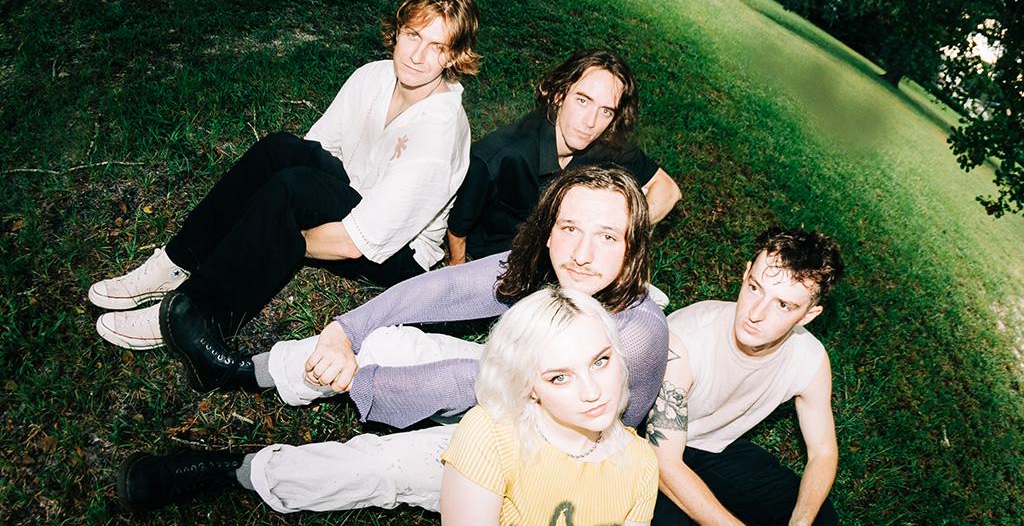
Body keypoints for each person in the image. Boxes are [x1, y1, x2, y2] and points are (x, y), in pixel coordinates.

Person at [116, 164, 669, 514]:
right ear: (549, 232)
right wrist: (346, 331)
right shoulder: (548, 267)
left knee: (378, 465)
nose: (582, 253)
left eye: (608, 236)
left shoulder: (637, 336)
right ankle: (244, 371)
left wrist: (370, 383)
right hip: (502, 389)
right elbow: (440, 291)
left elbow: (494, 394)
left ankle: (237, 471)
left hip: (535, 457)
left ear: (632, 247)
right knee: (388, 339)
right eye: (570, 229)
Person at [87, 0, 480, 363]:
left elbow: (355, 243)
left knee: (292, 191)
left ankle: (195, 313)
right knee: (280, 150)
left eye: (437, 47)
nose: (417, 56)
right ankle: (175, 263)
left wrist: (271, 234)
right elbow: (315, 149)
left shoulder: (438, 133)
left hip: (395, 252)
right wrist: (264, 210)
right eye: (413, 36)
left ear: (452, 57)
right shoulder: (375, 75)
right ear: (397, 32)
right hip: (357, 196)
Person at [647, 228, 844, 526]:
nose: (756, 314)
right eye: (755, 288)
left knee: (821, 519)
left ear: (807, 315)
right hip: (647, 446)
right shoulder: (687, 339)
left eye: (783, 305)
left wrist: (800, 523)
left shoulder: (809, 359)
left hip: (713, 449)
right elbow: (664, 464)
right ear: (746, 274)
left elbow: (823, 451)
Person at [440, 286, 658, 525]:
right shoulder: (490, 434)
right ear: (529, 386)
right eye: (560, 377)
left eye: (600, 361)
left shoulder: (641, 461)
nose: (592, 392)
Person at [445, 49, 681, 264]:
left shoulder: (602, 141)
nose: (590, 123)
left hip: (566, 255)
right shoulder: (500, 155)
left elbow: (668, 190)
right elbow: (457, 229)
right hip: (497, 261)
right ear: (558, 96)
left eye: (606, 111)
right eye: (582, 101)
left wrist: (619, 235)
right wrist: (458, 273)